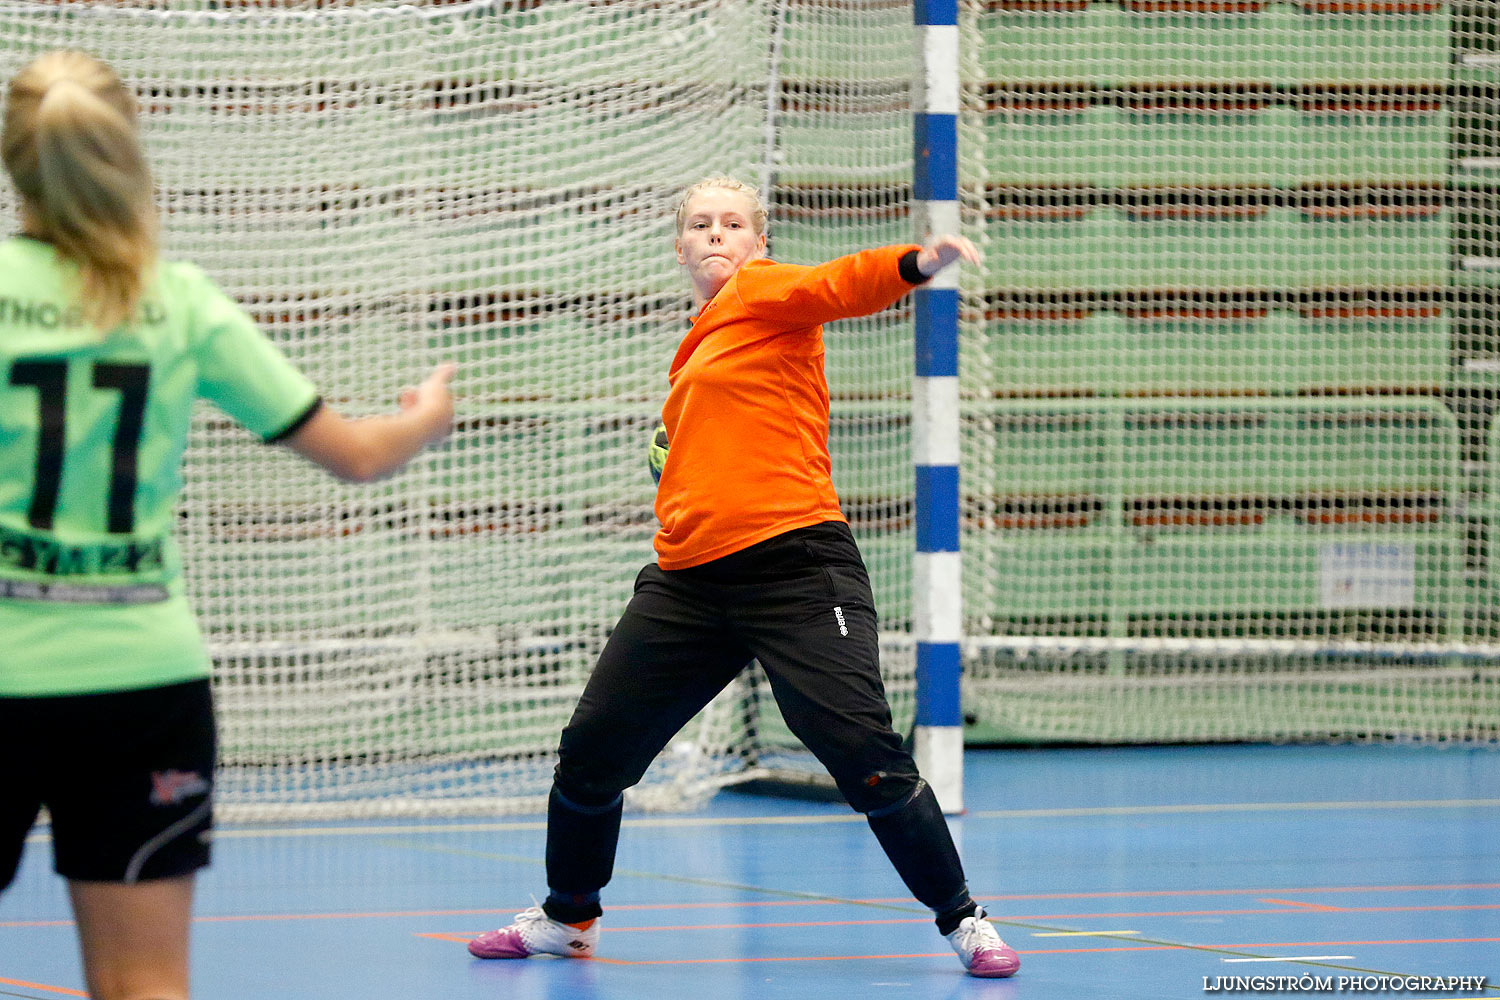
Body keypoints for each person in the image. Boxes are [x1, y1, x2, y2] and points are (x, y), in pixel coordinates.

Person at [467, 176, 1019, 978]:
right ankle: (568, 916)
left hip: (796, 568)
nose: (717, 234)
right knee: (592, 754)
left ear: (757, 243)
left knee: (860, 751)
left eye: (733, 223)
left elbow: (834, 284)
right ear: (681, 246)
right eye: (701, 224)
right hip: (688, 582)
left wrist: (912, 263)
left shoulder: (766, 292)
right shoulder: (699, 346)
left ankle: (964, 919)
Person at [0, 50, 455, 1000]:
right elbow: (361, 454)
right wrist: (426, 414)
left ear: (16, 159)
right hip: (139, 683)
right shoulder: (179, 302)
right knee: (144, 984)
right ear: (129, 156)